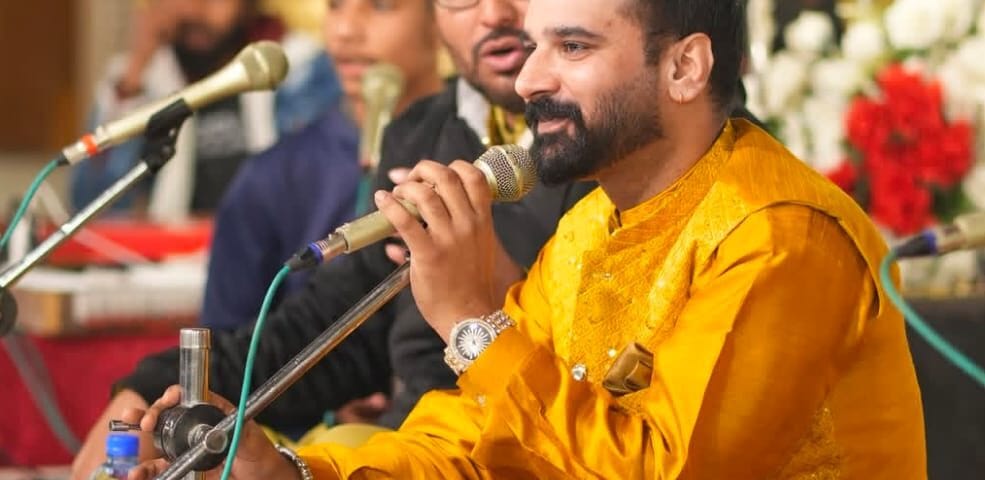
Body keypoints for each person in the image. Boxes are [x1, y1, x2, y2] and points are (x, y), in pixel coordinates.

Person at [125, 0, 928, 478]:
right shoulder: (589, 227)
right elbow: (478, 449)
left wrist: (473, 319)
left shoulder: (777, 235)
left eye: (572, 46)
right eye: (536, 44)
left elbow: (664, 471)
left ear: (684, 67)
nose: (530, 79)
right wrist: (293, 472)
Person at [199, 0, 444, 332]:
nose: (345, 30)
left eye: (381, 5)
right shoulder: (272, 178)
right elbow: (228, 347)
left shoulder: (483, 156)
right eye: (335, 5)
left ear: (441, 16)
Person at [70, 0, 339, 221]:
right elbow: (90, 207)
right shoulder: (146, 78)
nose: (193, 10)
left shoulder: (300, 69)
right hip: (170, 261)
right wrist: (135, 73)